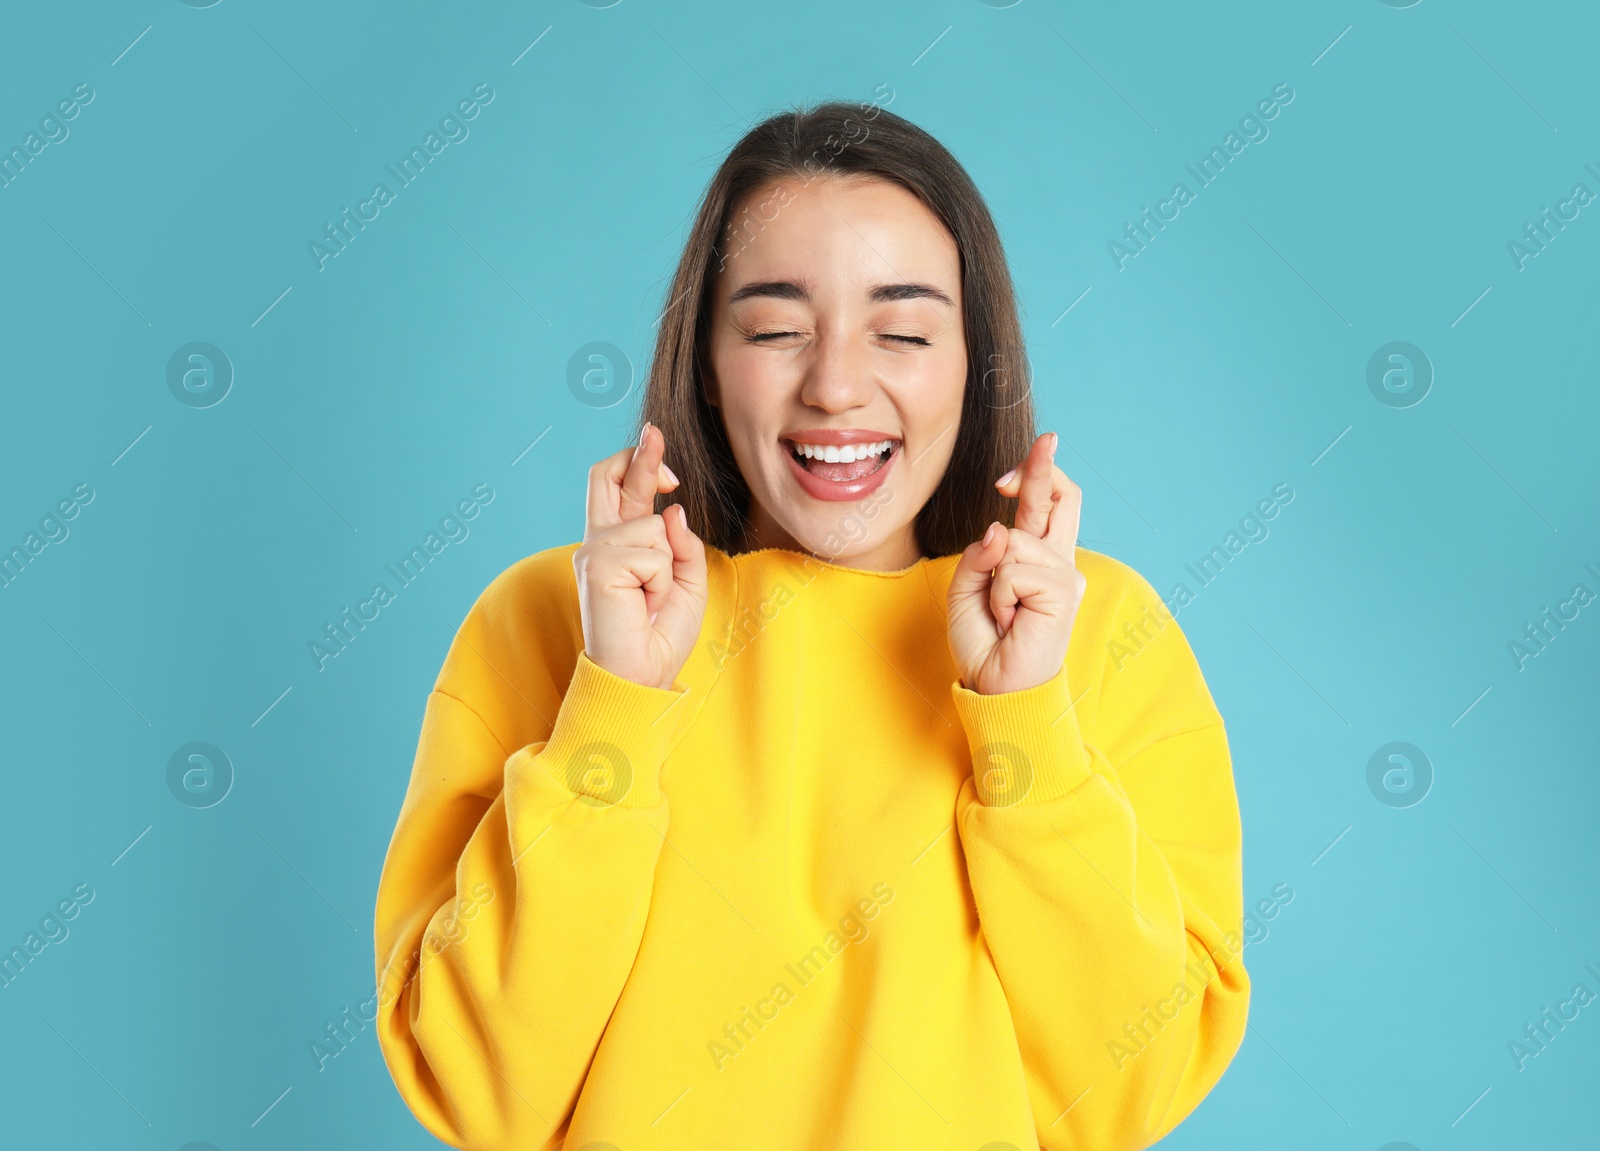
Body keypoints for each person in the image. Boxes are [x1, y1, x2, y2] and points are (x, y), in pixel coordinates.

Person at [373, 99, 1248, 1151]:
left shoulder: (1100, 634)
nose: (835, 386)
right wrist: (616, 701)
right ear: (704, 359)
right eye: (777, 327)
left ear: (974, 364)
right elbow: (478, 1088)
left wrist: (1025, 721)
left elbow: (1133, 1086)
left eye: (906, 331)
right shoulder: (545, 621)